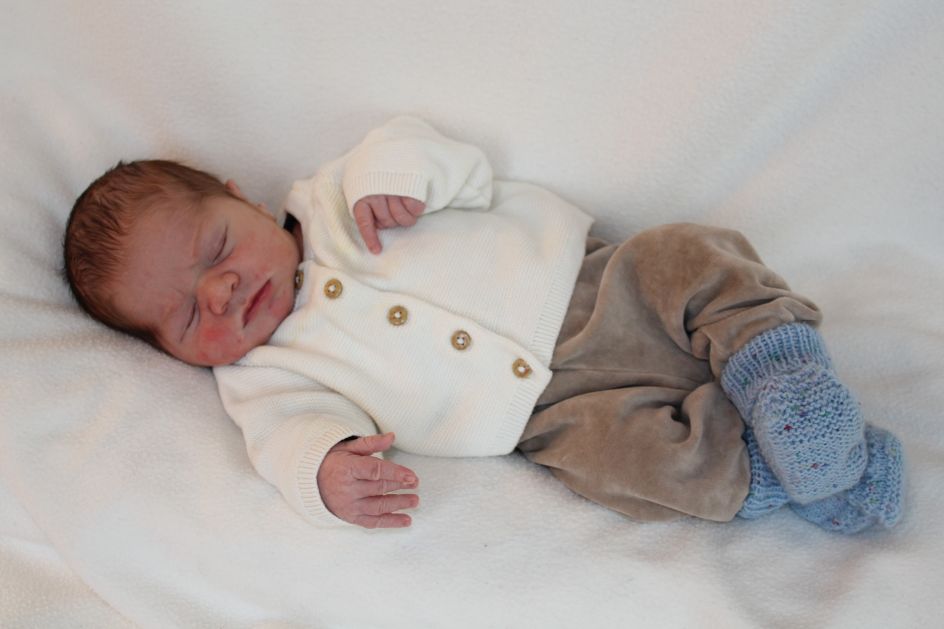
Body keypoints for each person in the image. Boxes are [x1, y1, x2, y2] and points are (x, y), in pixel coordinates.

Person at [63, 116, 903, 534]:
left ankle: (782, 376)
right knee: (636, 468)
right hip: (547, 416)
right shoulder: (261, 379)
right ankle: (796, 472)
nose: (219, 292)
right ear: (169, 353)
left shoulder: (335, 195)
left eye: (215, 248)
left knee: (686, 255)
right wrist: (323, 473)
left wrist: (396, 178)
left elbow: (431, 151)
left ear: (241, 198)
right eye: (184, 314)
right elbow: (284, 443)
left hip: (589, 284)